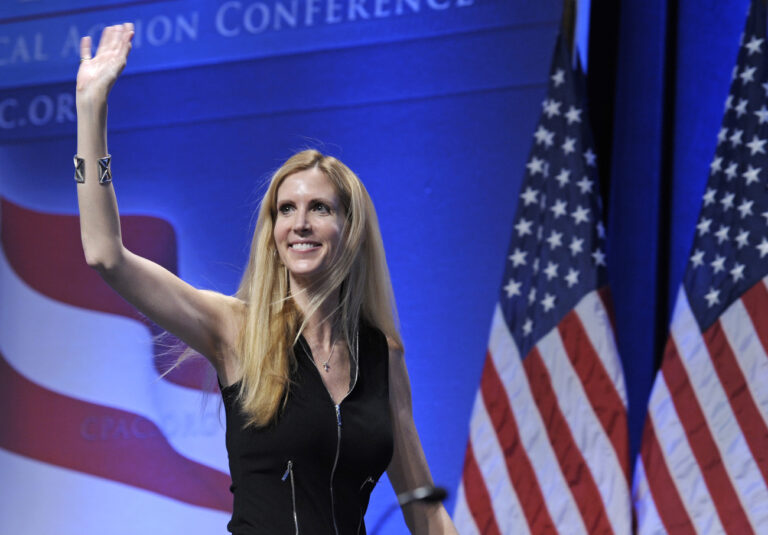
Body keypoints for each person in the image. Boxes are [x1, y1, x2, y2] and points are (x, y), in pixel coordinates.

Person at [75, 23, 458, 535]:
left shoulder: (382, 356)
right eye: (286, 209)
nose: (299, 223)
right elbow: (106, 255)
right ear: (272, 230)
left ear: (352, 229)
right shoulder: (237, 328)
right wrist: (90, 109)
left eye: (319, 208)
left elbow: (423, 507)